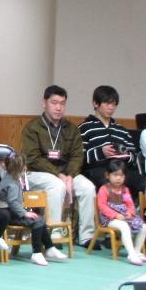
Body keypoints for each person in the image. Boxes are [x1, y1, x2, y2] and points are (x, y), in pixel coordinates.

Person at [22, 85, 96, 248]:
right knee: (56, 185)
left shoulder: (71, 128)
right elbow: (33, 158)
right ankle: (54, 234)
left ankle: (86, 236)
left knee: (88, 187)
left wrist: (69, 175)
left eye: (62, 103)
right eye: (54, 103)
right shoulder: (32, 127)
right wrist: (59, 175)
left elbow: (77, 156)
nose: (58, 108)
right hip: (37, 173)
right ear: (44, 103)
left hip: (66, 173)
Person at [0, 153, 67, 266]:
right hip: (10, 215)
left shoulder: (12, 178)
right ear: (18, 168)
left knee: (40, 219)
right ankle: (37, 252)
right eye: (23, 166)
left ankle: (49, 247)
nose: (26, 168)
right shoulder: (11, 183)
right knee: (37, 221)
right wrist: (24, 213)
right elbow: (13, 203)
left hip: (13, 212)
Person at [80, 86, 143, 196]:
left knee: (143, 182)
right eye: (107, 103)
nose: (111, 107)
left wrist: (126, 155)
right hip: (97, 170)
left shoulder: (122, 130)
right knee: (108, 182)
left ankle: (134, 206)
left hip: (122, 170)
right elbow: (79, 157)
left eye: (114, 104)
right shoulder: (84, 128)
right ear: (95, 103)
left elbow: (134, 156)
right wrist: (101, 152)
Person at [96, 160, 146, 265]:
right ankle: (131, 254)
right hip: (109, 219)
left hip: (124, 217)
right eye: (115, 175)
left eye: (121, 175)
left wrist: (130, 213)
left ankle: (137, 251)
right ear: (107, 175)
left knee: (143, 226)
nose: (118, 178)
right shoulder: (104, 189)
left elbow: (130, 204)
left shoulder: (125, 190)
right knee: (124, 226)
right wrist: (115, 215)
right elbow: (102, 206)